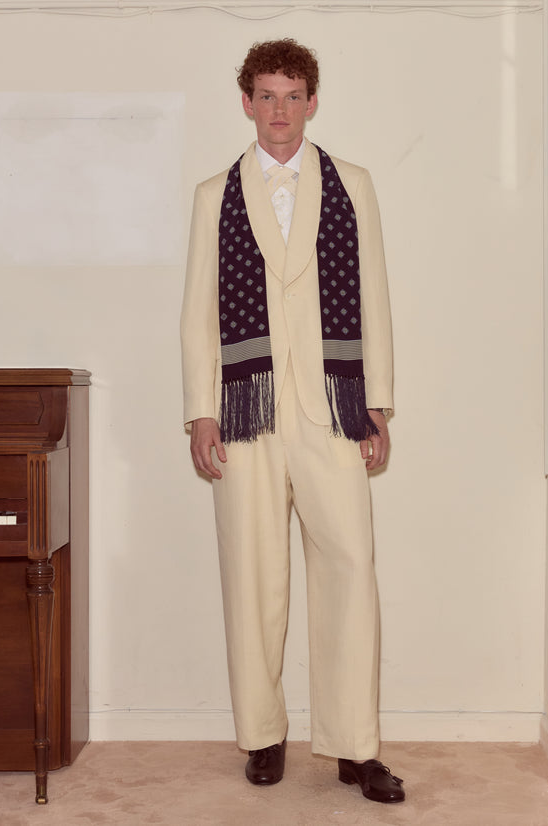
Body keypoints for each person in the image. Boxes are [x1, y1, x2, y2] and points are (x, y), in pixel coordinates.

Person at [180, 38, 403, 804]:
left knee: (350, 571)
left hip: (333, 410)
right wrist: (200, 413)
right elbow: (196, 318)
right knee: (254, 579)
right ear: (247, 102)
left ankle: (354, 747)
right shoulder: (215, 193)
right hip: (246, 413)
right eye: (265, 96)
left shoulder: (354, 186)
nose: (279, 110)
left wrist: (377, 400)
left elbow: (373, 296)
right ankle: (264, 736)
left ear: (313, 101)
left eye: (292, 94)